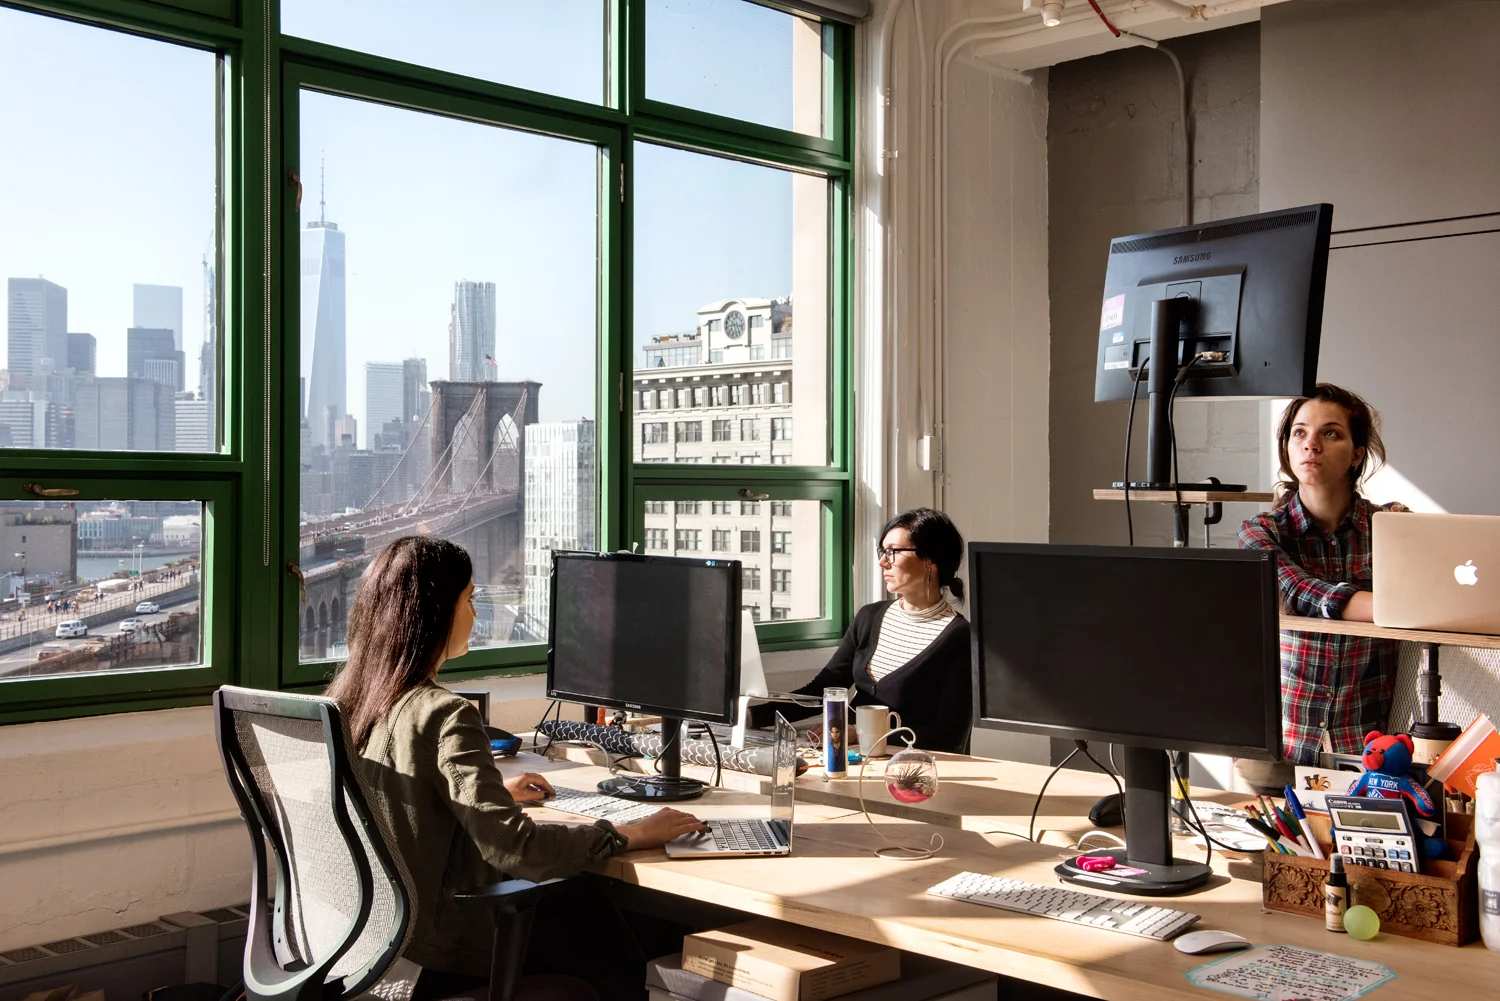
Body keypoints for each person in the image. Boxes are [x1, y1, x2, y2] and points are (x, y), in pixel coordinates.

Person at [327, 537, 706, 1001]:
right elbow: (517, 849)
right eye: (469, 599)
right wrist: (630, 834)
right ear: (437, 612)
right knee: (616, 942)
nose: (475, 613)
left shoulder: (349, 700)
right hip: (433, 954)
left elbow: (390, 799)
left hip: (358, 948)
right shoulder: (444, 714)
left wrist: (493, 794)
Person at [1238, 384, 1406, 764]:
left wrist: (1408, 607)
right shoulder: (1260, 532)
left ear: (1357, 454)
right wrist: (1391, 607)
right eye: (1299, 432)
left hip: (1369, 745)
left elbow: (1435, 601)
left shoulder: (1394, 525)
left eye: (1330, 433)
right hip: (1277, 743)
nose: (1310, 444)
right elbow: (1297, 592)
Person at [751, 508, 972, 753]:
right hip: (850, 757)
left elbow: (948, 734)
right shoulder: (870, 617)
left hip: (910, 767)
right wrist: (750, 717)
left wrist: (863, 732)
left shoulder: (960, 637)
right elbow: (821, 691)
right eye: (882, 551)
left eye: (893, 552)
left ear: (931, 560)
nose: (882, 562)